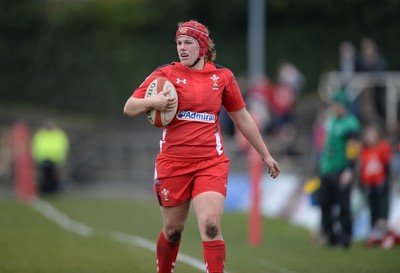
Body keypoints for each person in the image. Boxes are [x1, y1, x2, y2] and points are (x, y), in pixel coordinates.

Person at [123, 20, 280, 273]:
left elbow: (242, 117)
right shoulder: (165, 74)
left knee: (210, 226)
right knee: (173, 231)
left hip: (211, 162)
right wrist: (154, 101)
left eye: (188, 43)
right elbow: (129, 107)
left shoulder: (222, 76)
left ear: (203, 46)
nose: (182, 48)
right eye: (178, 43)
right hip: (173, 163)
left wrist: (265, 154)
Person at [318, 89, 361, 248]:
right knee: (324, 203)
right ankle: (331, 236)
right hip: (327, 168)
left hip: (341, 169)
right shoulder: (331, 121)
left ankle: (345, 238)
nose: (332, 107)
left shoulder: (351, 123)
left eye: (335, 104)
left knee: (343, 206)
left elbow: (353, 148)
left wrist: (349, 169)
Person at [359, 125, 392, 245]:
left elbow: (387, 165)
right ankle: (373, 232)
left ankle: (382, 231)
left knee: (381, 207)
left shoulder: (383, 147)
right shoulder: (365, 150)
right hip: (369, 184)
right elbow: (363, 168)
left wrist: (385, 180)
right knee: (372, 208)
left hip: (380, 183)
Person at [31, 119, 70, 194]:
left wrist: (62, 158)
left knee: (54, 176)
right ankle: (45, 190)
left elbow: (64, 146)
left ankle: (54, 190)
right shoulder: (40, 134)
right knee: (45, 176)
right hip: (43, 158)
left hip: (56, 159)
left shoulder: (59, 134)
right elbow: (35, 145)